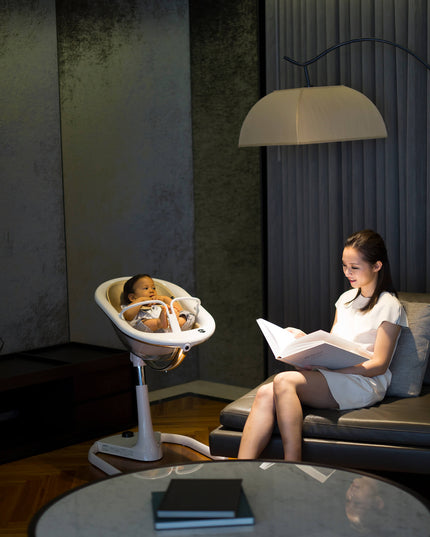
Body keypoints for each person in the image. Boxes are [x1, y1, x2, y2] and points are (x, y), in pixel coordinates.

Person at [237, 229, 408, 461]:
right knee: (266, 393)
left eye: (354, 267)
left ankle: (293, 463)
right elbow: (334, 343)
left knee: (283, 380)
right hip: (336, 374)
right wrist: (304, 342)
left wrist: (332, 370)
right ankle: (241, 468)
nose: (348, 272)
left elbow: (379, 365)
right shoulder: (346, 299)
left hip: (364, 381)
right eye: (344, 266)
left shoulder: (389, 305)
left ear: (377, 266)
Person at [122, 274, 195, 333]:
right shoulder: (132, 307)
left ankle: (176, 323)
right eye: (146, 288)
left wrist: (165, 299)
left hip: (169, 329)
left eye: (153, 288)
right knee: (138, 325)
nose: (151, 291)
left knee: (189, 315)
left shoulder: (159, 305)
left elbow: (179, 310)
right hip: (148, 334)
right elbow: (127, 316)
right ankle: (159, 322)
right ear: (132, 297)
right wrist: (141, 300)